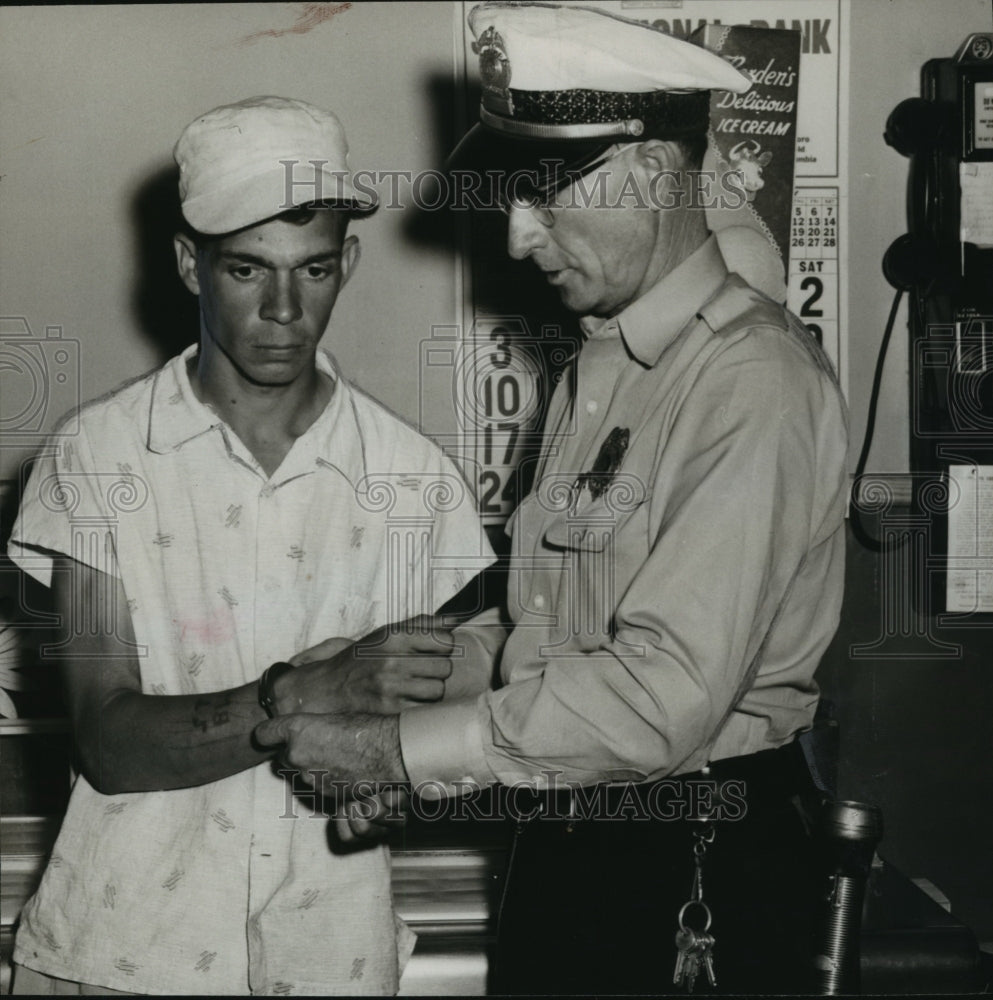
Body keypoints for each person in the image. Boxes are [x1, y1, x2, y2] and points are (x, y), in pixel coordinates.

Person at [256, 5, 850, 995]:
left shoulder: (753, 380)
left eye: (546, 192)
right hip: (575, 849)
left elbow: (660, 693)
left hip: (691, 872)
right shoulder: (603, 363)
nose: (519, 234)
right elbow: (550, 619)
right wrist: (408, 675)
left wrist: (396, 754)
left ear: (657, 172)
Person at [6, 95, 493, 996]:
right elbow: (108, 742)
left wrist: (404, 772)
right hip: (125, 955)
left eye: (312, 272)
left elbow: (448, 726)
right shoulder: (96, 457)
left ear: (347, 261)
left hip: (328, 959)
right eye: (246, 269)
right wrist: (304, 693)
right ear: (190, 264)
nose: (282, 309)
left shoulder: (414, 479)